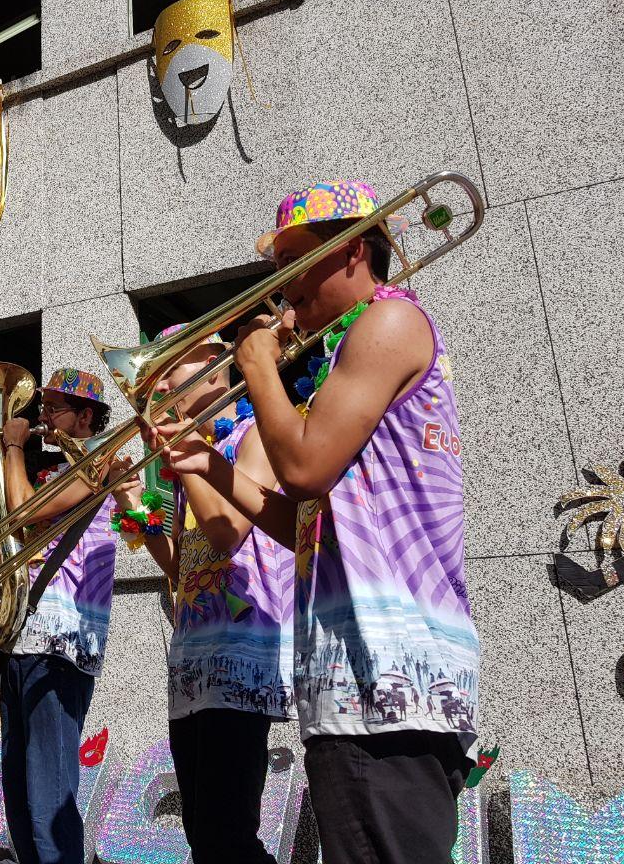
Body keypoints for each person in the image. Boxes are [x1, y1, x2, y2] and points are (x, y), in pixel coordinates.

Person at [152, 180, 481, 864]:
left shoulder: (389, 322)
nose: (283, 288)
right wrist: (204, 466)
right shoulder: (342, 360)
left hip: (390, 675)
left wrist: (256, 366)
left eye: (296, 262)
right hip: (353, 679)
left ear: (354, 250)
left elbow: (300, 471)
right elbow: (301, 522)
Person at [139, 327, 294, 864]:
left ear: (213, 360)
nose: (161, 391)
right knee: (201, 833)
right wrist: (145, 519)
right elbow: (187, 570)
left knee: (224, 836)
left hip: (242, 655)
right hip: (192, 659)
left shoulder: (255, 434)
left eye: (169, 373)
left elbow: (229, 530)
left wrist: (190, 456)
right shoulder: (197, 458)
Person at [0, 368, 140, 864]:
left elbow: (17, 512)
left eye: (53, 408)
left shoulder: (98, 461)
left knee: (49, 794)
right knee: (17, 789)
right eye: (44, 409)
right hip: (25, 637)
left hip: (62, 642)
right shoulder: (63, 472)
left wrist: (12, 447)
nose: (42, 418)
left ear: (85, 416)